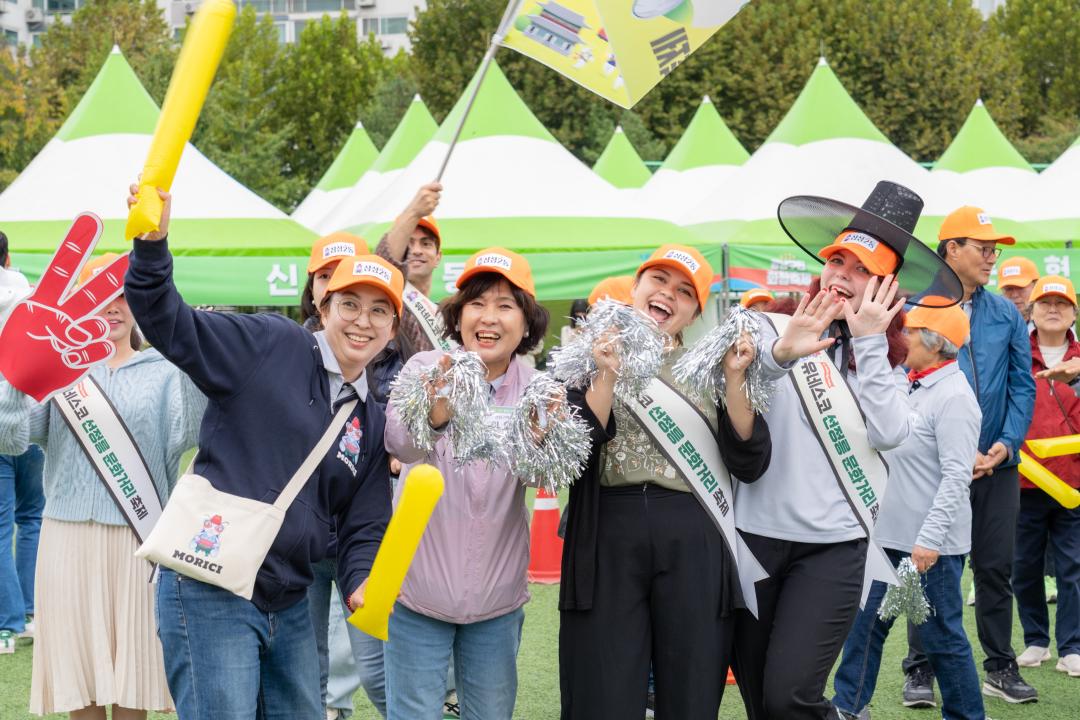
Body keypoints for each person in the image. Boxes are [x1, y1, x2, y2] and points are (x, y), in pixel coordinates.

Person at [124, 185, 395, 719]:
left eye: (380, 311)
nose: (363, 321)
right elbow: (170, 324)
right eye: (350, 304)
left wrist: (361, 578)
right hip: (210, 584)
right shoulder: (270, 343)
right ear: (323, 305)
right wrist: (152, 248)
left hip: (288, 600)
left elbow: (364, 521)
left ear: (393, 329)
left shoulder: (372, 416)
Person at [733, 181, 963, 720]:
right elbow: (731, 398)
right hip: (752, 541)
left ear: (886, 287)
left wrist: (867, 339)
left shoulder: (881, 361)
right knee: (758, 699)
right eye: (837, 259)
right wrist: (780, 355)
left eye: (860, 268)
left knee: (790, 696)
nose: (840, 273)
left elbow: (889, 434)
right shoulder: (769, 327)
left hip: (833, 551)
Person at [559, 245, 779, 720]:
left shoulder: (711, 367)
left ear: (695, 312)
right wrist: (604, 373)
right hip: (608, 533)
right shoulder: (586, 356)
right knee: (603, 685)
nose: (667, 295)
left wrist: (736, 379)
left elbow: (750, 458)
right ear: (635, 288)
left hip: (694, 533)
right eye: (658, 280)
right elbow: (573, 447)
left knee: (691, 684)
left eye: (684, 292)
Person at [0, 249, 207, 716]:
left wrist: (193, 362)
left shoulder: (164, 370)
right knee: (81, 681)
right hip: (66, 539)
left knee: (134, 680)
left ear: (139, 303)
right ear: (80, 304)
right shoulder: (58, 371)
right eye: (98, 296)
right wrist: (13, 379)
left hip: (139, 541)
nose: (111, 306)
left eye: (123, 295)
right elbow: (11, 439)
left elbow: (187, 434)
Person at [382, 247, 550, 719]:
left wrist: (540, 439)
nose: (488, 317)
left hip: (496, 603)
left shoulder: (535, 387)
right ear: (458, 315)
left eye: (505, 305)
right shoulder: (425, 369)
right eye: (477, 303)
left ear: (526, 320)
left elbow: (543, 475)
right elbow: (399, 443)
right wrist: (436, 415)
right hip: (416, 592)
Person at [902, 206, 1037, 707]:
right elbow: (902, 378)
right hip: (932, 467)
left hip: (996, 466)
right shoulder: (914, 305)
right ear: (951, 248)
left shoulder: (1006, 312)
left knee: (996, 567)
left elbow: (1023, 387)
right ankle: (919, 669)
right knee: (928, 566)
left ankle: (1000, 665)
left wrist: (1004, 445)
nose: (992, 257)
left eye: (995, 249)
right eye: (984, 248)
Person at [832, 303, 984, 720]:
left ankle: (968, 715)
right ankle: (848, 707)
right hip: (889, 536)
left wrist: (930, 540)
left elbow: (957, 476)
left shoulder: (955, 397)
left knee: (942, 639)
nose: (898, 339)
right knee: (864, 629)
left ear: (935, 344)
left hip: (928, 545)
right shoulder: (914, 384)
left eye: (908, 332)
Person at [299, 231, 393, 719]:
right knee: (305, 664)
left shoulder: (381, 359)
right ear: (318, 292)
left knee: (377, 665)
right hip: (300, 548)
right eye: (327, 277)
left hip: (357, 532)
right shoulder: (285, 353)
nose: (362, 317)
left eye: (376, 308)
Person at [1011, 275, 1080, 678]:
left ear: (1073, 312)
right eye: (1044, 302)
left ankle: (1072, 645)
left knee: (1073, 566)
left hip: (1074, 484)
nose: (1053, 309)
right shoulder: (1017, 353)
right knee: (1024, 565)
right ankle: (1036, 639)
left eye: (1062, 302)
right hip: (1023, 480)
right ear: (1032, 310)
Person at [0, 231, 43, 655]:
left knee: (0, 525)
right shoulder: (28, 296)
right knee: (33, 517)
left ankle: (7, 625)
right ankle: (30, 611)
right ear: (8, 257)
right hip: (32, 416)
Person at [376, 182, 445, 360]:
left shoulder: (446, 315)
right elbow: (385, 265)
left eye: (426, 243)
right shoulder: (387, 302)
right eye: (409, 243)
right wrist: (414, 211)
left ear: (438, 257)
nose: (416, 250)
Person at [997, 256, 1039, 326]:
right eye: (1009, 289)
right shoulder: (991, 321)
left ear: (1035, 286)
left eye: (1020, 288)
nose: (1014, 295)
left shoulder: (1050, 322)